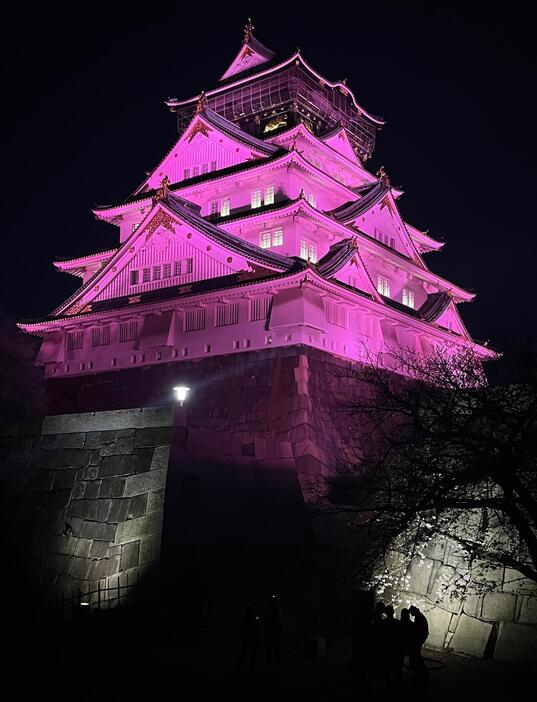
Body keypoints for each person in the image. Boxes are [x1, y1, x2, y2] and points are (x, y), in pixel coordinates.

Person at [235, 606, 262, 674]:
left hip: (249, 640)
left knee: (247, 656)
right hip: (250, 640)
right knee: (249, 656)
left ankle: (238, 669)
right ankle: (248, 671)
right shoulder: (251, 620)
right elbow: (256, 629)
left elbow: (256, 630)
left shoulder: (249, 620)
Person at [264, 594, 283, 669]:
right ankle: (273, 664)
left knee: (273, 649)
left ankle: (273, 664)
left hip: (272, 633)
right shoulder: (276, 612)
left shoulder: (273, 612)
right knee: (274, 649)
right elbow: (279, 623)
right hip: (273, 633)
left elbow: (278, 623)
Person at [408, 605, 429, 674]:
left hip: (420, 637)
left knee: (416, 653)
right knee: (416, 652)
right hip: (422, 637)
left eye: (411, 612)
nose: (410, 614)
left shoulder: (418, 617)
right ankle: (417, 669)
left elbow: (417, 629)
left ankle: (421, 669)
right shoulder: (419, 616)